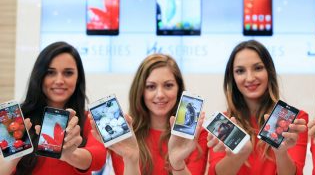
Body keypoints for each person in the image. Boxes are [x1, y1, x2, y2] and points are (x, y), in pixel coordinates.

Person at [0, 41, 106, 175]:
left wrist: (70, 155)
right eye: (50, 72)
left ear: (78, 78)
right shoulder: (18, 119)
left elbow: (98, 158)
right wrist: (14, 156)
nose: (59, 80)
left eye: (68, 73)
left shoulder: (89, 119)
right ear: (39, 76)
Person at [94, 53, 208, 175]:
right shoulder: (124, 135)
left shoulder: (197, 134)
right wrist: (131, 159)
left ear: (179, 89)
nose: (160, 94)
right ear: (140, 91)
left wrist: (178, 164)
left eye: (168, 85)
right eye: (151, 87)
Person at [207, 40, 308, 175]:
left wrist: (281, 153)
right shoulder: (224, 122)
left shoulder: (295, 119)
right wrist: (240, 154)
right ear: (232, 78)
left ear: (269, 72)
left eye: (258, 68)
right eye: (240, 71)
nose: (250, 78)